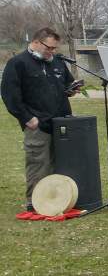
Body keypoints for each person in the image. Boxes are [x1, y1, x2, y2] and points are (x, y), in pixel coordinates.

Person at [2, 27, 80, 215]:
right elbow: (10, 95)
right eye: (49, 48)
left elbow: (66, 84)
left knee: (62, 163)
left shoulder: (58, 62)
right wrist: (26, 118)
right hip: (37, 125)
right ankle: (34, 202)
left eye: (54, 48)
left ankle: (60, 199)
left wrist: (72, 89)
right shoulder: (17, 63)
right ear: (36, 42)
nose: (51, 52)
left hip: (62, 123)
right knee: (38, 164)